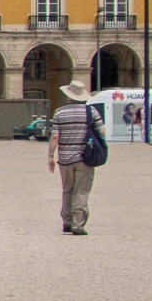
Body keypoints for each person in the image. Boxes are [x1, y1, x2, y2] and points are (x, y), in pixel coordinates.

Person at [49, 80, 103, 235]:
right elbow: (103, 132)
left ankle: (67, 222)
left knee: (67, 189)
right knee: (82, 191)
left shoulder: (59, 112)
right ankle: (78, 224)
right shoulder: (91, 112)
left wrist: (50, 156)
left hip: (65, 159)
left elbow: (55, 137)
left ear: (68, 96)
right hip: (84, 159)